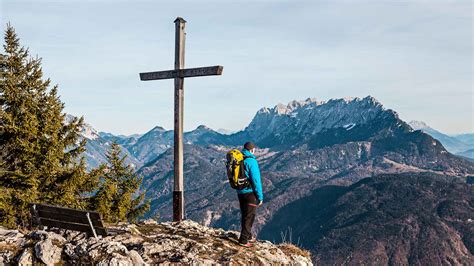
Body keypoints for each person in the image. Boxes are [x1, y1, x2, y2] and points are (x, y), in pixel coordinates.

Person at [237, 141, 264, 247]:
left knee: (245, 214)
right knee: (250, 216)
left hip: (240, 191)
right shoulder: (251, 161)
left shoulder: (240, 158)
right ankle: (243, 240)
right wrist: (260, 196)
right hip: (249, 193)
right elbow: (256, 180)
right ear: (252, 150)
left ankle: (247, 235)